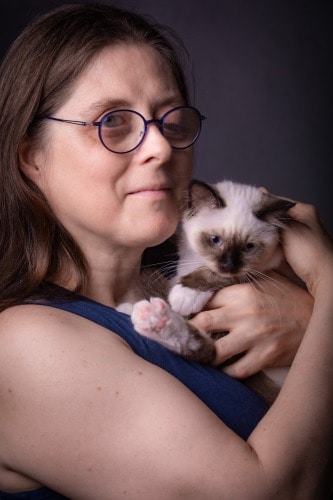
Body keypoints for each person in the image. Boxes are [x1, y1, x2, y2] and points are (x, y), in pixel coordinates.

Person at [0, 3, 331, 498]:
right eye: (113, 121)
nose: (159, 147)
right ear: (32, 158)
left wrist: (309, 317)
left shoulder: (208, 290)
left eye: (171, 119)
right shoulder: (22, 347)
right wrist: (327, 282)